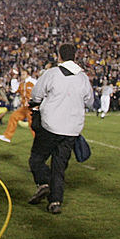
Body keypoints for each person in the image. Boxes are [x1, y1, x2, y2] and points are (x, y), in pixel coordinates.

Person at [25, 44, 94, 213]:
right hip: (71, 129)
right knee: (59, 166)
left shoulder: (52, 74)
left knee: (36, 159)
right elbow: (90, 102)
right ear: (75, 57)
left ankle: (44, 183)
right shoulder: (83, 78)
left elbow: (36, 96)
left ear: (59, 56)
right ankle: (55, 202)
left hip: (50, 126)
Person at [0, 68, 36, 143]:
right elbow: (14, 90)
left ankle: (39, 142)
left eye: (23, 74)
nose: (22, 76)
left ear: (28, 74)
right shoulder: (22, 84)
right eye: (21, 74)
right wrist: (13, 78)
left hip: (32, 108)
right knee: (13, 117)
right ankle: (7, 136)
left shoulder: (33, 82)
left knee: (32, 125)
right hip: (25, 107)